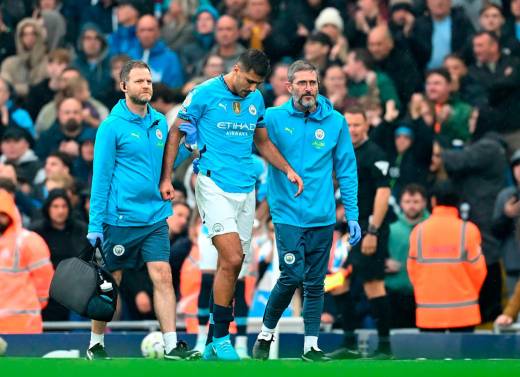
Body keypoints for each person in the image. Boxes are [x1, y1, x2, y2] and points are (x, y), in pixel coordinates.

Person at [159, 49, 303, 361]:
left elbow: (262, 142)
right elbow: (175, 133)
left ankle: (212, 341)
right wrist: (166, 178)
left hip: (245, 190)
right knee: (232, 255)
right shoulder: (203, 94)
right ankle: (222, 337)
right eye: (250, 81)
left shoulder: (256, 99)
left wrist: (287, 168)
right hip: (213, 184)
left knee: (232, 266)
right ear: (236, 69)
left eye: (258, 84)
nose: (253, 88)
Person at [86, 60, 197, 360]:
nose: (146, 85)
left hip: (155, 215)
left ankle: (172, 344)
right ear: (124, 86)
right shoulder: (111, 127)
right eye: (138, 81)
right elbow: (101, 177)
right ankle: (96, 343)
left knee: (162, 274)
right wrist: (94, 226)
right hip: (120, 218)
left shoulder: (160, 122)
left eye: (148, 81)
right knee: (112, 281)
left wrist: (178, 159)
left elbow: (164, 165)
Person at [250, 60, 360, 362]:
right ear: (289, 87)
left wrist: (352, 214)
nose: (308, 88)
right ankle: (266, 332)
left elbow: (347, 170)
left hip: (322, 216)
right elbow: (245, 140)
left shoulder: (335, 121)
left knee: (315, 282)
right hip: (286, 214)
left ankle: (311, 346)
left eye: (312, 83)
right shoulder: (271, 117)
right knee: (291, 275)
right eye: (301, 83)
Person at [328, 106, 393, 359]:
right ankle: (349, 344)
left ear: (366, 126)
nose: (353, 130)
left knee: (373, 285)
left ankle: (386, 347)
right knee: (337, 283)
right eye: (349, 125)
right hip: (348, 230)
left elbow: (383, 192)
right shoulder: (342, 153)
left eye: (357, 125)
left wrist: (373, 231)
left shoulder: (375, 153)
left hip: (369, 228)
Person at [408, 180, 487, 331]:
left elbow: (413, 270)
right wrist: (467, 291)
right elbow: (479, 271)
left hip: (428, 312)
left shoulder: (419, 231)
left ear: (433, 200)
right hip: (464, 312)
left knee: (432, 355)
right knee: (464, 355)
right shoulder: (468, 230)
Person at [0, 189, 54, 333]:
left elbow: (44, 280)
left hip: (23, 325)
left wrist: (37, 304)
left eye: (3, 214)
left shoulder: (28, 241)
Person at [385, 184, 429, 329]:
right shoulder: (390, 230)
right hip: (395, 295)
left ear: (424, 203)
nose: (411, 206)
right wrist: (384, 263)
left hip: (425, 295)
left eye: (416, 202)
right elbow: (376, 258)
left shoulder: (432, 228)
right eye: (407, 202)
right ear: (400, 204)